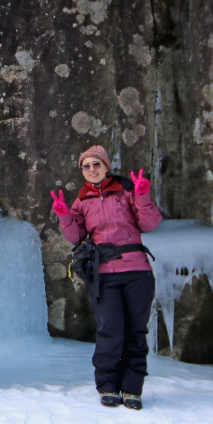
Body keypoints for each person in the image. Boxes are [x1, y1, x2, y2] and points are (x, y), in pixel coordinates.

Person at [50, 145, 161, 410]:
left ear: (106, 166)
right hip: (104, 275)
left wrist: (143, 196)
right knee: (110, 330)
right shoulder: (82, 201)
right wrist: (65, 215)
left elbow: (149, 224)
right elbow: (76, 237)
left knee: (136, 331)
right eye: (86, 166)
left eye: (96, 165)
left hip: (137, 271)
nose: (91, 170)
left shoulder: (126, 192)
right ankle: (108, 386)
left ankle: (132, 389)